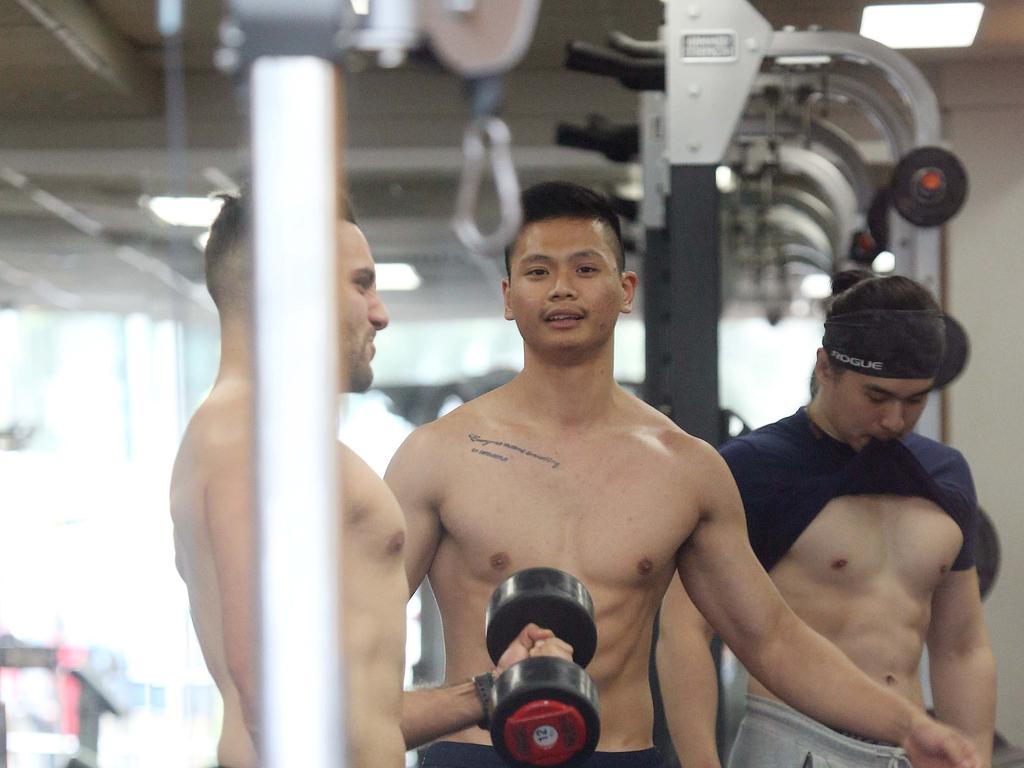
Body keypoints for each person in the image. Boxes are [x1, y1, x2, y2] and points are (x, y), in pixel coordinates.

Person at [384, 181, 982, 768]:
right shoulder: (437, 455)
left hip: (620, 755)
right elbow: (353, 645)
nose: (562, 289)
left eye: (586, 269)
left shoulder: (686, 468)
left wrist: (910, 725)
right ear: (509, 297)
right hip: (477, 752)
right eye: (539, 272)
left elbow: (772, 639)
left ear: (625, 289)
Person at [170, 192, 571, 768]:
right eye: (361, 285)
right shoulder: (249, 442)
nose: (380, 312)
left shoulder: (253, 437)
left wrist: (492, 692)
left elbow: (360, 720)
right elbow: (263, 690)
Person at [703, 271, 995, 768]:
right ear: (825, 368)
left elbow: (961, 647)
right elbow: (687, 632)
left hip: (907, 745)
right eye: (876, 397)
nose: (895, 421)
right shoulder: (751, 469)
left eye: (915, 400)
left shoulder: (945, 475)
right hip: (791, 739)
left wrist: (975, 757)